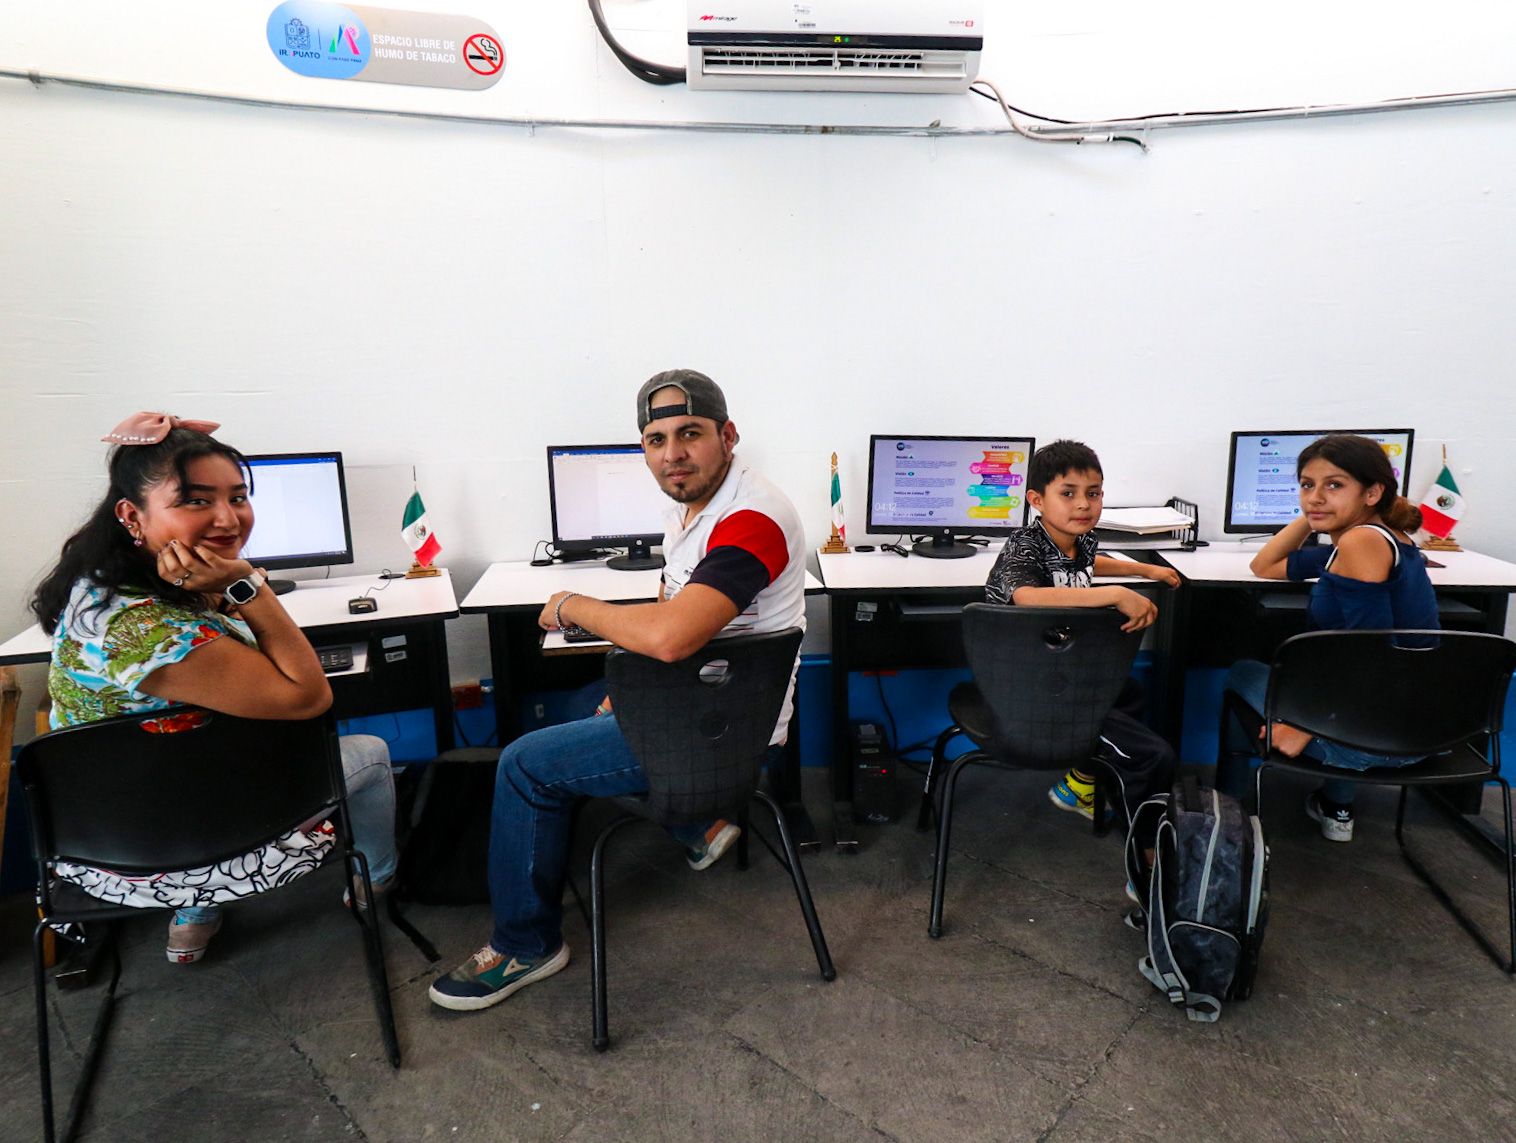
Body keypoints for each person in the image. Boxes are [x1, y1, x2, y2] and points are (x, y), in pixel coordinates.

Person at [429, 369, 806, 1012]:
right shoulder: (694, 508)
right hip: (707, 706)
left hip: (724, 735)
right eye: (657, 440)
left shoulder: (751, 520)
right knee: (585, 699)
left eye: (690, 433)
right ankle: (698, 820)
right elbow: (671, 606)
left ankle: (525, 945)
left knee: (524, 765)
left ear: (728, 436)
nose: (673, 454)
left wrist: (572, 605)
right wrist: (625, 687)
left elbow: (671, 637)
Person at [31, 412, 399, 964]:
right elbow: (309, 697)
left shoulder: (98, 587)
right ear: (132, 515)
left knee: (189, 761)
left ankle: (196, 917)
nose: (228, 518)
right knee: (370, 753)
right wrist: (248, 585)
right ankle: (377, 880)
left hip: (109, 830)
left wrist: (223, 590)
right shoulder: (145, 631)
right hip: (183, 849)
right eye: (196, 500)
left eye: (238, 497)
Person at [1224, 433, 1438, 842]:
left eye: (1334, 485)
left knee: (1241, 671)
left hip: (1370, 739)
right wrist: (1316, 512)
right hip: (1419, 727)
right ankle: (1336, 806)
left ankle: (1229, 805)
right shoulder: (1379, 539)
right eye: (1307, 485)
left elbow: (1370, 652)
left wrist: (1306, 725)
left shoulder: (1360, 541)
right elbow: (1263, 565)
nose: (1315, 496)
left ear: (1373, 493)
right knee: (1307, 675)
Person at [984, 439, 1180, 827]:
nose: (1083, 505)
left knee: (1130, 691)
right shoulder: (1025, 544)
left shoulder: (1081, 540)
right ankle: (1145, 852)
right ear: (1037, 500)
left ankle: (1079, 783)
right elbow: (1027, 597)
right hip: (1027, 682)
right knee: (1154, 755)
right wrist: (1116, 594)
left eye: (1093, 493)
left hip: (1064, 670)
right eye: (1068, 493)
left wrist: (1144, 569)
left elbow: (1089, 564)